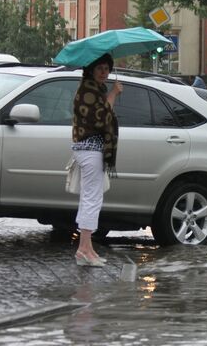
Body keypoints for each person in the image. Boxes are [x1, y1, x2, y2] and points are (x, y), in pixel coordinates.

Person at [71, 53, 123, 267]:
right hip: (90, 149)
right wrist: (114, 93)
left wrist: (110, 94)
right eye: (100, 68)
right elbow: (102, 118)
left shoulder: (94, 89)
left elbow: (104, 115)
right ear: (91, 69)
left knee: (89, 198)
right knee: (92, 199)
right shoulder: (88, 91)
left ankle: (86, 248)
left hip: (92, 149)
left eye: (107, 69)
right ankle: (84, 249)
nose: (104, 72)